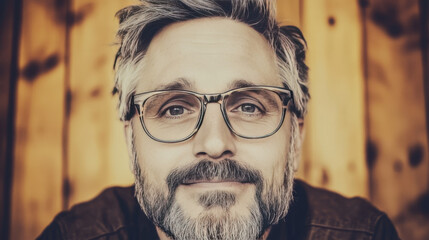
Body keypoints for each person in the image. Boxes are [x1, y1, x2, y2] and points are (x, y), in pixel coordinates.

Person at [38, 0, 400, 239]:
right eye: (174, 109)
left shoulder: (364, 234)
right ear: (131, 138)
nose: (213, 143)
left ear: (296, 135)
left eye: (249, 106)